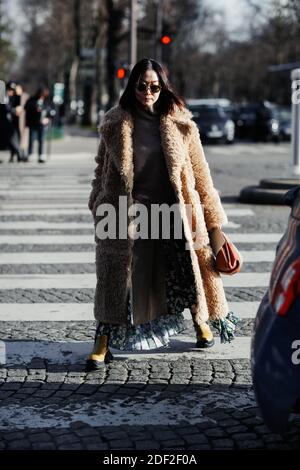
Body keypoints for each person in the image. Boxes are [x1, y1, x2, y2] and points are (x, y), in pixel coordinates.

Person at [86, 58, 237, 371]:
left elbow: (201, 174)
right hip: (125, 214)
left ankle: (200, 321)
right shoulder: (115, 123)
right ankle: (102, 340)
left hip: (175, 211)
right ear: (133, 87)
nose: (148, 92)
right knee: (116, 279)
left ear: (163, 87)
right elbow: (101, 168)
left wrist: (214, 225)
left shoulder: (181, 124)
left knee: (185, 272)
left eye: (154, 86)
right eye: (141, 86)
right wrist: (97, 203)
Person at [24, 86, 50, 163]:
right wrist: (35, 109)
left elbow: (50, 111)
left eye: (44, 95)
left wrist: (47, 118)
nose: (42, 97)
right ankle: (30, 154)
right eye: (41, 95)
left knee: (41, 139)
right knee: (31, 139)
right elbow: (27, 107)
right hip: (33, 122)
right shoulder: (32, 100)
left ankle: (41, 155)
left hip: (42, 124)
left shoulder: (46, 101)